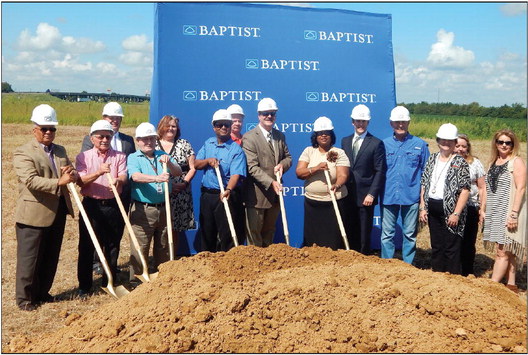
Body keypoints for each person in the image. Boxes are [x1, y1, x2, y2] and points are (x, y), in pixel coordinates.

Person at [13, 104, 77, 311]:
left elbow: (67, 171)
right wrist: (59, 182)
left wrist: (71, 172)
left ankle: (43, 292)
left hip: (57, 211)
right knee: (29, 259)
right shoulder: (23, 152)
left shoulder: (60, 150)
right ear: (35, 129)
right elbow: (31, 181)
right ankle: (24, 299)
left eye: (52, 128)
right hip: (33, 213)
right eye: (44, 128)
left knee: (50, 256)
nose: (49, 132)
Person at [80, 102, 135, 275]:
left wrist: (120, 181)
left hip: (118, 196)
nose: (115, 121)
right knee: (90, 239)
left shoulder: (126, 143)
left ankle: (110, 270)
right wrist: (99, 172)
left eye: (118, 118)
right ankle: (94, 267)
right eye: (112, 118)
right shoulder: (87, 149)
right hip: (94, 198)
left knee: (113, 237)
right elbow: (84, 175)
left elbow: (127, 168)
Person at [75, 120, 128, 297]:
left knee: (112, 244)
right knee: (87, 246)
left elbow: (123, 175)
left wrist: (118, 180)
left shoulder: (119, 155)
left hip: (113, 205)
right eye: (100, 136)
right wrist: (99, 172)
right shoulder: (83, 157)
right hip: (91, 205)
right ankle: (84, 285)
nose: (105, 139)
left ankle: (109, 281)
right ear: (92, 138)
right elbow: (80, 181)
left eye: (108, 136)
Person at [127, 122, 182, 280]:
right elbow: (135, 176)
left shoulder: (162, 156)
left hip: (164, 208)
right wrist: (156, 178)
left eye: (151, 139)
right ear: (138, 140)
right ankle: (137, 281)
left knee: (163, 246)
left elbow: (178, 172)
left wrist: (169, 163)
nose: (148, 142)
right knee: (140, 247)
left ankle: (162, 279)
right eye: (144, 139)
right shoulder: (134, 157)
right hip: (143, 210)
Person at [380, 106, 429, 264]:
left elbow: (425, 173)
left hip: (411, 196)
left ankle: (408, 265)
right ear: (391, 123)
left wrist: (422, 201)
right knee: (387, 234)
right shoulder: (384, 144)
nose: (400, 125)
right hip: (389, 195)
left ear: (408, 122)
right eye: (397, 122)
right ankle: (387, 264)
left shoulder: (420, 145)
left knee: (409, 234)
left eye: (403, 122)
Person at [419, 123, 470, 275]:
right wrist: (423, 207)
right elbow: (424, 183)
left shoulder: (460, 162)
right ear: (438, 140)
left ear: (455, 143)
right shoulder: (432, 158)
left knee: (451, 248)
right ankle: (438, 276)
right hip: (433, 208)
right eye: (443, 139)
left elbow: (465, 190)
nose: (446, 143)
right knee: (437, 246)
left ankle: (452, 278)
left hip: (451, 211)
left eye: (449, 140)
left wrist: (456, 213)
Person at [242, 98, 292, 247]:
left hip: (275, 197)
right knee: (254, 236)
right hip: (257, 196)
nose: (269, 116)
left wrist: (282, 165)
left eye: (272, 113)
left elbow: (288, 157)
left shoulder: (280, 136)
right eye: (265, 114)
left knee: (269, 233)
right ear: (259, 115)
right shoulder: (249, 138)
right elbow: (252, 167)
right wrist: (271, 182)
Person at [195, 109, 247, 252]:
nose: (223, 127)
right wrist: (208, 160)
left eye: (226, 124)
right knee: (207, 232)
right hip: (207, 196)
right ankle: (207, 265)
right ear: (214, 127)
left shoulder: (236, 150)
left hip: (225, 195)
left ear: (230, 127)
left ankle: (227, 267)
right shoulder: (208, 144)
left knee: (227, 234)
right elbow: (196, 164)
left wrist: (228, 189)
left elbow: (236, 174)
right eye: (219, 124)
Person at [296, 116, 350, 250]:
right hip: (313, 203)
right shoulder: (309, 151)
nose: (323, 135)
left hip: (333, 202)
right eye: (320, 133)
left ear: (331, 135)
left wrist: (337, 185)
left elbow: (343, 174)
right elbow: (299, 173)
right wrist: (315, 168)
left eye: (327, 132)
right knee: (313, 240)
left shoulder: (339, 153)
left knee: (333, 239)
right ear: (315, 136)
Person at [482, 130, 526, 293]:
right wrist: (483, 208)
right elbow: (486, 187)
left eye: (508, 143)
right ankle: (511, 284)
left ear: (513, 145)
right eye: (501, 142)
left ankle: (491, 286)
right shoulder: (494, 161)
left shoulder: (516, 162)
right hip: (495, 210)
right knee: (508, 248)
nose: (504, 145)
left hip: (508, 210)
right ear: (495, 143)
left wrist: (514, 214)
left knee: (502, 251)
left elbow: (521, 188)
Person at [341, 104, 386, 255]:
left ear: (368, 123)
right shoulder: (345, 141)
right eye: (358, 121)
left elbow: (380, 171)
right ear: (352, 122)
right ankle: (350, 257)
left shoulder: (376, 143)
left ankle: (363, 259)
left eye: (363, 121)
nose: (360, 124)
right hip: (347, 195)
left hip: (365, 196)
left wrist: (372, 194)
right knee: (350, 228)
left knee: (364, 232)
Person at [156, 115, 197, 253]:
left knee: (175, 229)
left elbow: (192, 168)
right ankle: (161, 257)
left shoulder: (184, 144)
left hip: (180, 193)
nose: (171, 129)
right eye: (168, 125)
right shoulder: (154, 144)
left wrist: (184, 183)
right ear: (161, 127)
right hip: (160, 192)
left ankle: (173, 257)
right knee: (161, 228)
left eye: (174, 126)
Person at [455, 134, 486, 276]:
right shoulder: (448, 161)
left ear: (468, 148)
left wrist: (482, 208)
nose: (460, 149)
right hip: (452, 208)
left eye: (463, 146)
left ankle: (467, 272)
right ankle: (452, 270)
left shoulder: (475, 163)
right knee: (453, 241)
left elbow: (482, 188)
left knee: (468, 242)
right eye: (457, 145)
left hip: (471, 207)